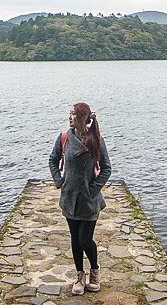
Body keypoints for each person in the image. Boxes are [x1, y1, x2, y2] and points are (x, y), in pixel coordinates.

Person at [48, 102, 112, 295]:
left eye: (73, 114)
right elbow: (53, 160)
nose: (70, 117)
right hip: (69, 198)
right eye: (69, 113)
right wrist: (60, 181)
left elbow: (106, 168)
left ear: (83, 118)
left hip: (89, 200)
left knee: (85, 239)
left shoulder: (96, 140)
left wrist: (93, 189)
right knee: (75, 239)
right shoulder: (64, 138)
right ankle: (79, 276)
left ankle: (94, 270)